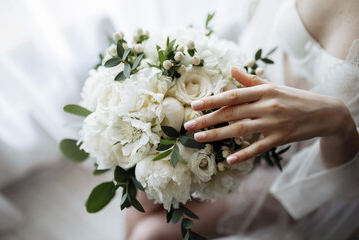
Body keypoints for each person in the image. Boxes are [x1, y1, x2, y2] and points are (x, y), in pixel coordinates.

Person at [125, 0, 359, 239]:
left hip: (308, 171)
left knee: (150, 234)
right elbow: (261, 34)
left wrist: (340, 124)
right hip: (236, 127)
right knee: (141, 190)